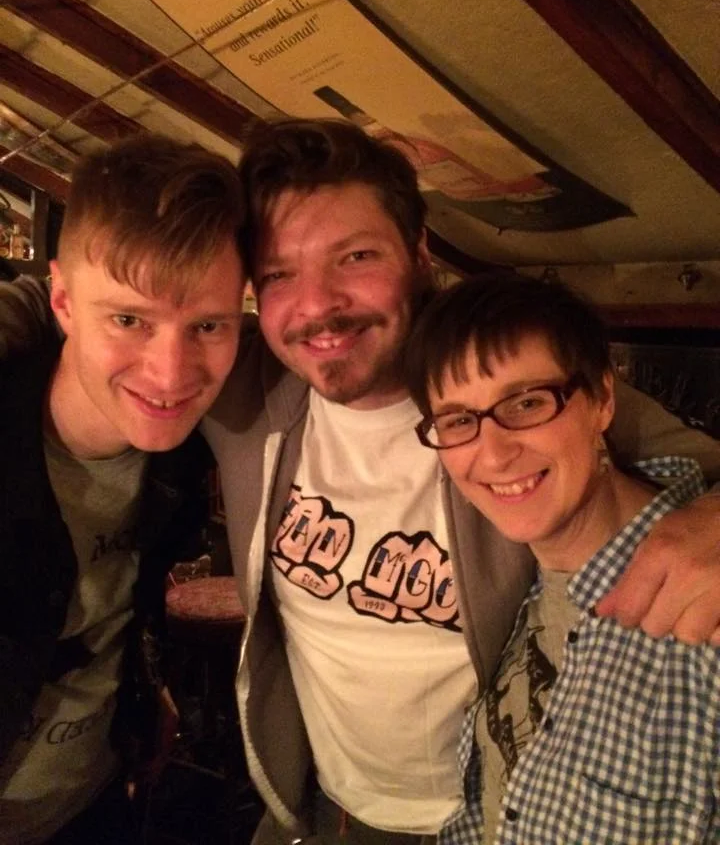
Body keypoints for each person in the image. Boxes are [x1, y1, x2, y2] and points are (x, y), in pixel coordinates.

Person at [5, 119, 720, 844]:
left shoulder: (501, 390)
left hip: (498, 814)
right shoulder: (234, 382)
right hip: (317, 808)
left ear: (419, 256)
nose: (318, 306)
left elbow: (656, 440)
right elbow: (90, 304)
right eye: (280, 275)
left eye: (355, 256)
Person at [405, 268, 719, 843]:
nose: (493, 455)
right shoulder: (534, 581)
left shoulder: (703, 609)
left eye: (526, 402)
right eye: (458, 421)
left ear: (601, 400)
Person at [0, 135, 248, 844]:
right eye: (129, 319)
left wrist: (144, 691)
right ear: (63, 301)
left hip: (99, 796)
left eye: (207, 325)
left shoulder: (180, 455)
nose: (171, 376)